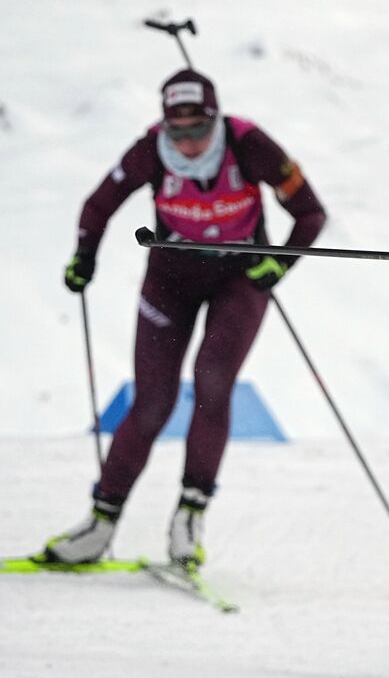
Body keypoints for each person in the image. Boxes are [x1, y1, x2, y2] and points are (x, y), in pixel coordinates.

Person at [44, 69, 326, 568]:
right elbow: (97, 205)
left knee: (213, 380)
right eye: (179, 132)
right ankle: (100, 522)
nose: (190, 143)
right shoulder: (151, 150)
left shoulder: (249, 144)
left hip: (239, 278)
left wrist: (278, 264)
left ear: (215, 120)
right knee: (151, 402)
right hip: (170, 279)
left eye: (199, 130)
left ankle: (188, 519)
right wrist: (84, 257)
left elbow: (310, 213)